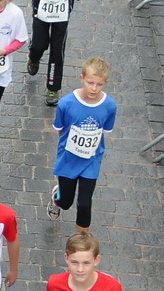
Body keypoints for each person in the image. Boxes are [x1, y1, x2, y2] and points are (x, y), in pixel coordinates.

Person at [48, 58, 117, 230]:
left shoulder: (109, 106)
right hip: (68, 159)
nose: (94, 88)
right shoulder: (66, 103)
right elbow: (60, 129)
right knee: (65, 202)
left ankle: (80, 241)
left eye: (99, 84)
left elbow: (104, 131)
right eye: (90, 82)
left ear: (105, 83)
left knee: (85, 203)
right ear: (81, 78)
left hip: (91, 160)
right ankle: (57, 196)